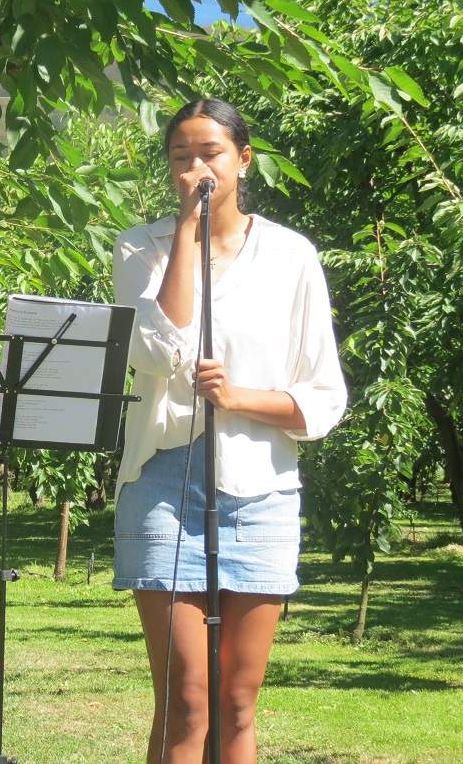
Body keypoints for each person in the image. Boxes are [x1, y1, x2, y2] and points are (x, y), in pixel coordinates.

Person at [110, 99, 347, 764]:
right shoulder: (139, 247)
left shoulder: (291, 256)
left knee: (237, 703)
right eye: (180, 157)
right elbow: (159, 353)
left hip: (261, 488)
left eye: (209, 153)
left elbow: (322, 399)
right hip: (161, 479)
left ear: (242, 159)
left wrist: (237, 397)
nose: (195, 169)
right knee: (186, 699)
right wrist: (186, 230)